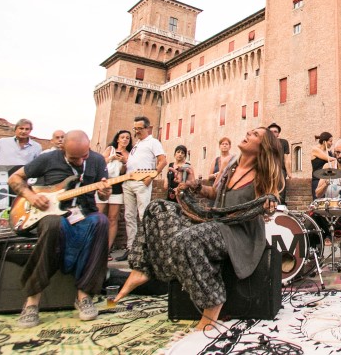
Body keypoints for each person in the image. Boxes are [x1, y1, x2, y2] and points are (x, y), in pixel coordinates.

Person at [114, 127, 282, 336]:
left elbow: (270, 200)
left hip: (238, 235)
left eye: (256, 135)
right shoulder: (230, 166)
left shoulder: (263, 175)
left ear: (263, 147)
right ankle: (142, 269)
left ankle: (213, 302)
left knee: (185, 240)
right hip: (214, 223)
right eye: (250, 131)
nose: (248, 133)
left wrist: (267, 205)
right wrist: (194, 186)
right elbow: (214, 194)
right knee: (157, 208)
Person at [7, 131, 111, 328]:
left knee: (101, 222)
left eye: (84, 155)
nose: (81, 160)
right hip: (52, 214)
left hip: (84, 213)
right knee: (53, 225)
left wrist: (104, 193)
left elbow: (104, 197)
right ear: (62, 148)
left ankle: (84, 295)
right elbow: (15, 178)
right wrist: (30, 196)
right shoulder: (48, 159)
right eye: (75, 157)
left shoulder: (97, 161)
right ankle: (32, 301)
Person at [121, 116, 166, 261]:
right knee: (129, 216)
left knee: (144, 215)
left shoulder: (153, 142)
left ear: (148, 128)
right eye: (135, 128)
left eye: (139, 129)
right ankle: (131, 247)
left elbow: (163, 161)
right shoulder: (137, 144)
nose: (137, 131)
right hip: (128, 181)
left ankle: (147, 248)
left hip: (142, 181)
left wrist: (150, 177)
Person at [97, 130, 132, 256]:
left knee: (113, 218)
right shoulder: (110, 149)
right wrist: (112, 157)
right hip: (105, 183)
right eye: (122, 137)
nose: (125, 140)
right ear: (117, 139)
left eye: (127, 138)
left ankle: (107, 248)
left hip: (117, 186)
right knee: (99, 216)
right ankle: (95, 245)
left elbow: (124, 172)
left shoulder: (129, 154)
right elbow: (100, 162)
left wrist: (123, 162)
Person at [267, 123, 291, 203]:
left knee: (281, 191)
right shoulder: (264, 143)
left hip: (280, 169)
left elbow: (286, 159)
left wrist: (289, 173)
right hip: (268, 170)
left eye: (275, 131)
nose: (273, 133)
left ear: (278, 134)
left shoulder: (284, 142)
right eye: (271, 131)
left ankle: (280, 206)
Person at [310, 132, 334, 200]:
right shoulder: (315, 150)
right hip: (317, 179)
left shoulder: (329, 152)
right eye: (330, 141)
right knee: (319, 202)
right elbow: (329, 159)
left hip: (327, 180)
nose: (332, 143)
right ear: (324, 142)